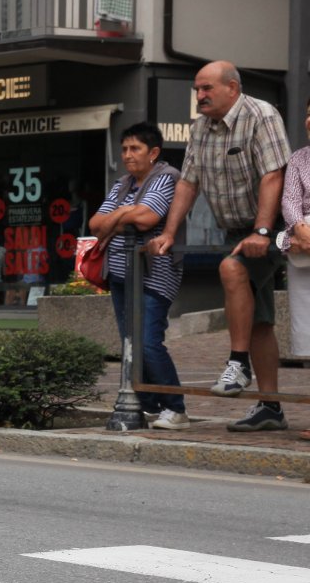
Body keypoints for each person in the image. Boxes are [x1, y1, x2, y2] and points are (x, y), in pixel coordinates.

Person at [150, 61, 291, 432]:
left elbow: (274, 174)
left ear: (232, 87)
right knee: (259, 321)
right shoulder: (200, 127)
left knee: (231, 268)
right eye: (197, 89)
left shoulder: (261, 115)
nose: (199, 96)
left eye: (206, 88)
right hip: (234, 230)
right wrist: (169, 232)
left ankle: (238, 363)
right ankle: (271, 408)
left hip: (275, 226)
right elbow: (188, 183)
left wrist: (262, 231)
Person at [89, 123, 188, 430]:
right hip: (119, 273)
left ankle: (176, 408)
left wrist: (118, 214)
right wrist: (124, 214)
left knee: (147, 342)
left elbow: (147, 218)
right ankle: (148, 405)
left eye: (135, 149)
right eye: (124, 149)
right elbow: (95, 224)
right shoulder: (123, 183)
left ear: (153, 152)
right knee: (130, 342)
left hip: (155, 273)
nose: (128, 155)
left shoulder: (167, 177)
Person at [279, 96, 310, 441]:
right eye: (309, 114)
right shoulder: (299, 158)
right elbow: (289, 199)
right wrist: (300, 228)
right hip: (303, 248)